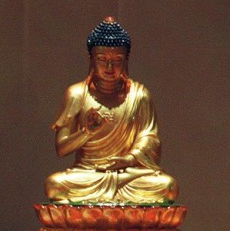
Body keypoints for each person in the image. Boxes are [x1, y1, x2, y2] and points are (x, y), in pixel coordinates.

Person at [45, 17, 177, 204]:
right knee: (54, 186)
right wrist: (87, 132)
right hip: (89, 174)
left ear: (126, 60)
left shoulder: (139, 96)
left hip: (127, 175)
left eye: (117, 60)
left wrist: (128, 160)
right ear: (91, 59)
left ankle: (105, 208)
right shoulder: (76, 94)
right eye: (102, 60)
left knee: (168, 187)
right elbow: (61, 148)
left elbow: (150, 139)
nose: (109, 67)